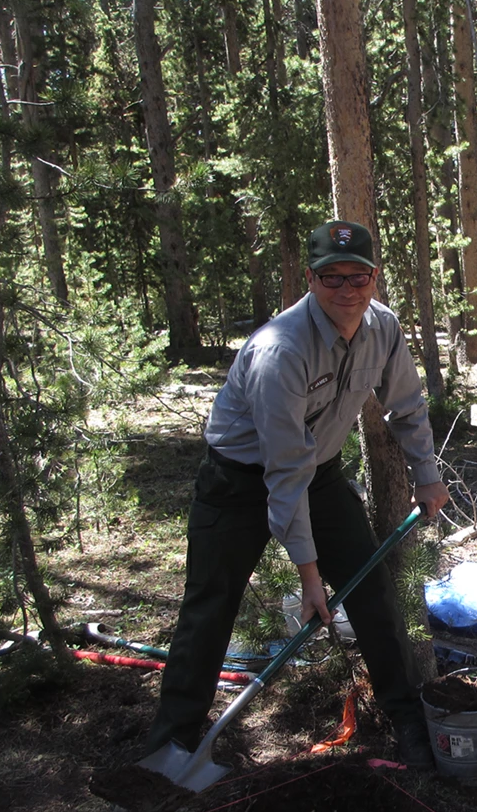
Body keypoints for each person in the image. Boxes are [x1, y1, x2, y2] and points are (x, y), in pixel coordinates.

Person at [144, 220, 450, 777]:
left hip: (321, 474)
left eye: (358, 276)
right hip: (238, 481)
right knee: (209, 606)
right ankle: (174, 745)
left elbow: (405, 407)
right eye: (332, 278)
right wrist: (311, 579)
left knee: (373, 594)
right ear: (310, 280)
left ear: (374, 278)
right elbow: (283, 474)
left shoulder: (383, 328)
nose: (347, 290)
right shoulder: (279, 352)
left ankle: (406, 720)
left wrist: (427, 475)